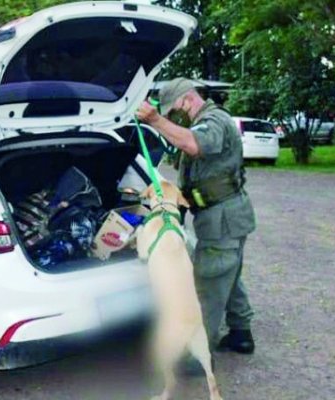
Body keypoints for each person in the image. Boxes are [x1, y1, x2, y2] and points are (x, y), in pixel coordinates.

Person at [136, 78, 257, 365]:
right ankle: (241, 332)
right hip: (225, 215)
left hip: (223, 217)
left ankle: (198, 354)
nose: (171, 116)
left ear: (188, 99)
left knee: (208, 281)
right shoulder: (201, 121)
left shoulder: (214, 121)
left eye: (173, 109)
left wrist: (154, 120)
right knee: (229, 272)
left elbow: (193, 144)